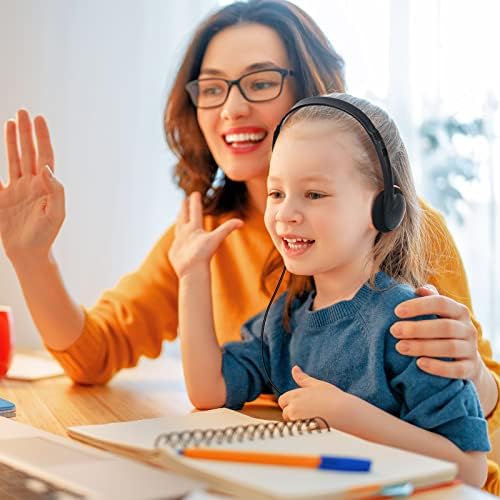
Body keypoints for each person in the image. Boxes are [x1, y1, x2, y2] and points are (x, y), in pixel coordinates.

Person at [0, 0, 499, 491]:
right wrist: (31, 257)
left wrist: (474, 375)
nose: (233, 107)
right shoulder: (206, 235)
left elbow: (474, 432)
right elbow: (95, 353)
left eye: (261, 82)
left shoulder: (409, 233)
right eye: (213, 88)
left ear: (311, 95)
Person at [168, 92, 490, 486]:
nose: (286, 213)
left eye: (314, 194)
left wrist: (353, 419)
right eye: (276, 193)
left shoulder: (412, 325)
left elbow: (470, 469)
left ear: (382, 208)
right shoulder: (285, 321)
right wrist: (192, 274)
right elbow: (208, 390)